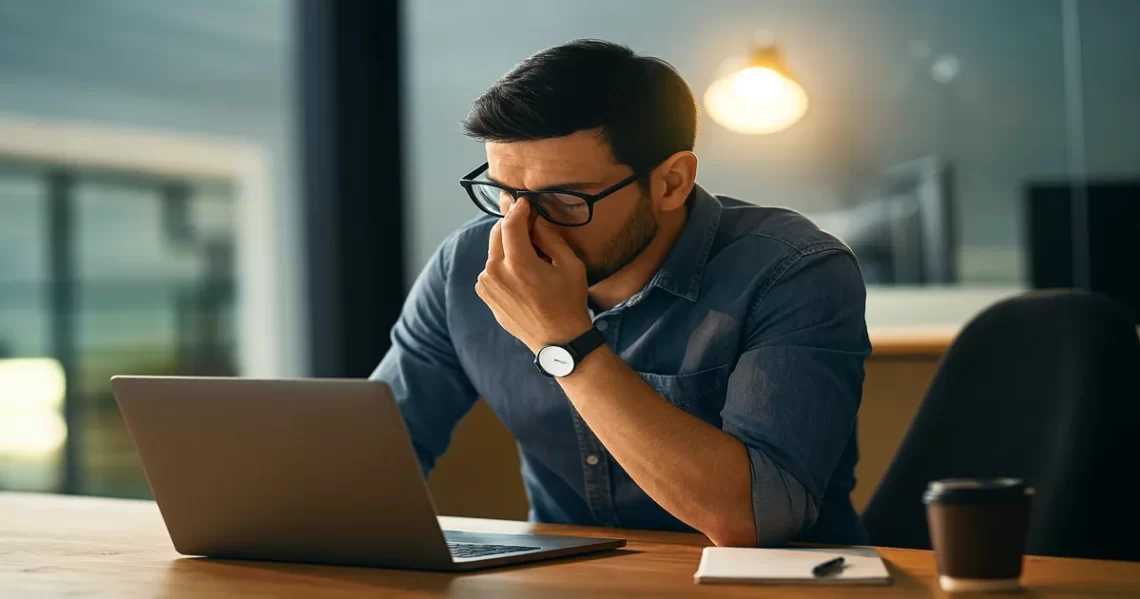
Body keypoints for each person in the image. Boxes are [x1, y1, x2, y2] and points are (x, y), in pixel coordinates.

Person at [372, 39, 870, 546]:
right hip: (561, 582)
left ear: (671, 182)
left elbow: (754, 519)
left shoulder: (793, 272)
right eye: (504, 192)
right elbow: (374, 455)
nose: (521, 227)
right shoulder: (467, 267)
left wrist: (564, 342)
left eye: (563, 199)